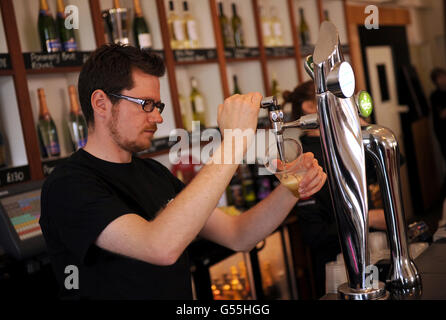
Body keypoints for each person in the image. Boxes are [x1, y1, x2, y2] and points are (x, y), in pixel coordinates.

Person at [39, 44, 327, 300]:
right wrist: (235, 141)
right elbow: (160, 246)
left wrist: (292, 188)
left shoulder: (152, 172)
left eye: (158, 105)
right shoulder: (69, 184)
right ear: (101, 103)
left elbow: (238, 234)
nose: (158, 116)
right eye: (146, 104)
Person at [283, 81, 387, 298]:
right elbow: (315, 235)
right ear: (310, 108)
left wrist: (362, 127)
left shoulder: (344, 144)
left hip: (371, 255)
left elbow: (392, 164)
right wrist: (367, 218)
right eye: (335, 98)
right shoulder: (301, 160)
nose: (342, 104)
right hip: (336, 270)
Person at [429, 68, 446, 163]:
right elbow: (442, 114)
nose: (443, 79)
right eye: (440, 77)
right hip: (443, 132)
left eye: (443, 76)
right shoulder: (435, 96)